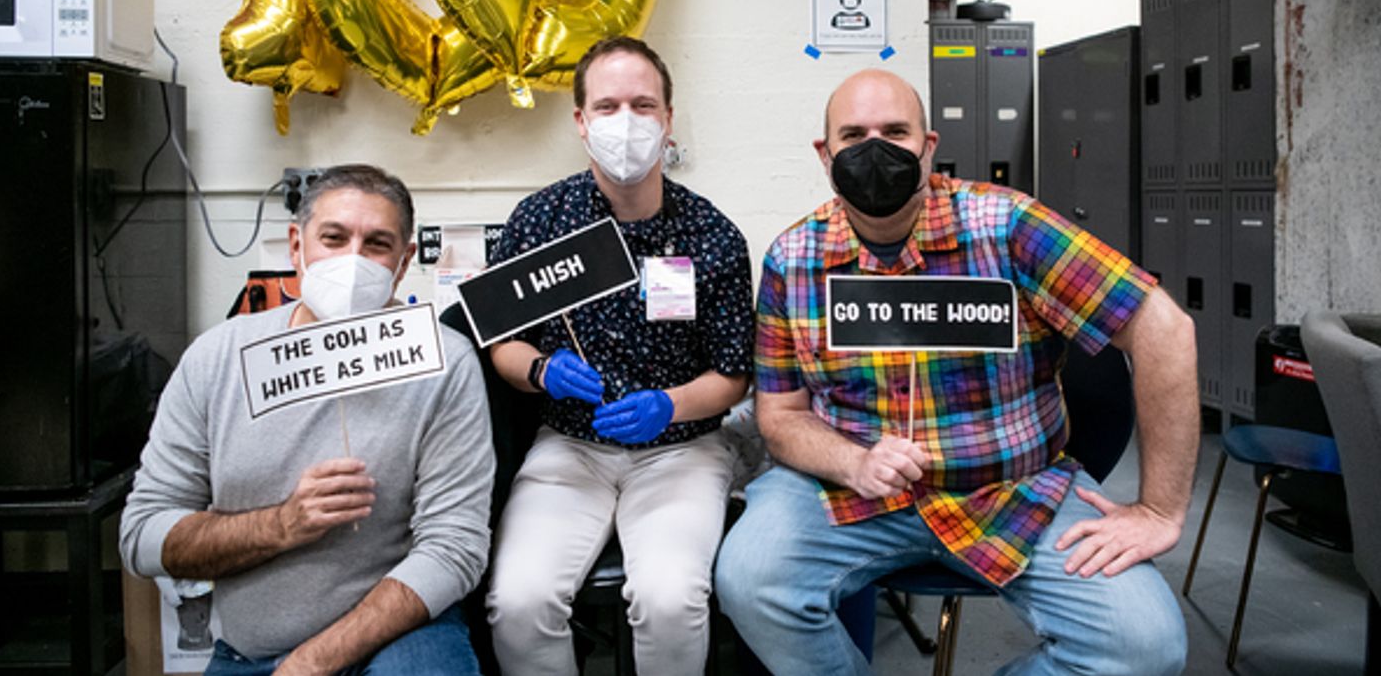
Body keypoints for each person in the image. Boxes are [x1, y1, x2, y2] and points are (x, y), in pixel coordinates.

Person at [715, 69, 1198, 675]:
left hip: (1013, 490)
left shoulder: (1008, 227)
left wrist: (1159, 511)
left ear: (929, 147)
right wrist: (854, 462)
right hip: (850, 491)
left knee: (1144, 646)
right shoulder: (794, 258)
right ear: (825, 153)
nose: (875, 149)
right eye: (853, 134)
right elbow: (780, 417)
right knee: (748, 577)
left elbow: (1165, 330)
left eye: (895, 132)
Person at [120, 164, 493, 676]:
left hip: (405, 636)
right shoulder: (218, 358)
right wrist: (282, 524)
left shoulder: (444, 360)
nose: (352, 261)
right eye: (333, 239)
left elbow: (454, 549)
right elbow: (142, 536)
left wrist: (313, 663)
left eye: (377, 245)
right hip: (251, 650)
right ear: (297, 246)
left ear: (404, 262)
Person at [484, 36, 754, 676]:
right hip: (570, 447)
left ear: (668, 119)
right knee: (518, 603)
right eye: (606, 107)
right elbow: (502, 342)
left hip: (682, 451)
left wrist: (670, 405)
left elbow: (733, 374)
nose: (625, 122)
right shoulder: (539, 220)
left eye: (643, 105)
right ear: (580, 122)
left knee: (669, 601)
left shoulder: (711, 235)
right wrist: (542, 371)